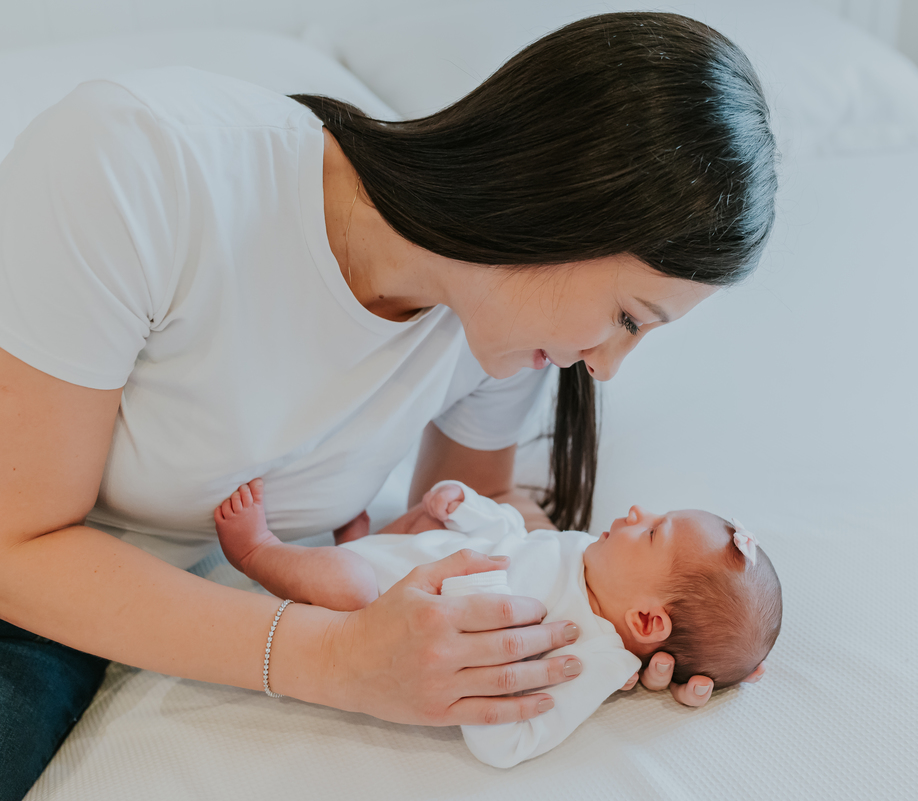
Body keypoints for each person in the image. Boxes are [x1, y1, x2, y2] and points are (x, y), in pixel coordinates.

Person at [0, 10, 777, 798]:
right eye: (628, 318)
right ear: (561, 203)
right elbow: (14, 547)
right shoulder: (141, 161)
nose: (605, 367)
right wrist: (332, 659)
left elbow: (481, 526)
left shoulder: (504, 337)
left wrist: (619, 626)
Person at [213, 478, 784, 768]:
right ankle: (362, 540)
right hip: (412, 561)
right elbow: (516, 539)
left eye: (653, 532)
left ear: (645, 619)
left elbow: (507, 743)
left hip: (378, 610)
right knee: (417, 530)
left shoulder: (593, 657)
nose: (639, 512)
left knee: (347, 583)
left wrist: (480, 602)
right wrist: (470, 508)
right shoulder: (591, 556)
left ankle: (258, 553)